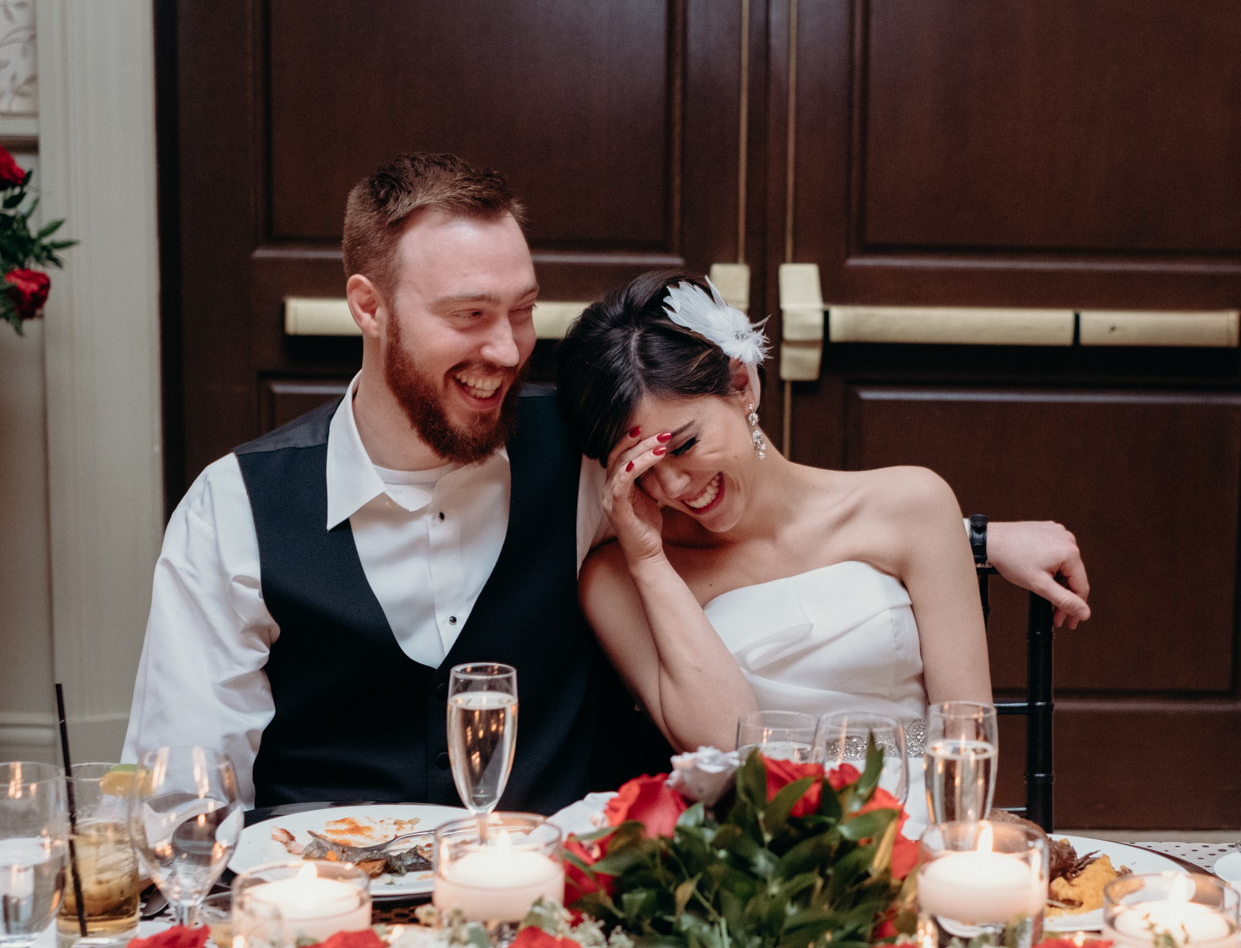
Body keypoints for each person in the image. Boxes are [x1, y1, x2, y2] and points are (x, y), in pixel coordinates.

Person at [123, 152, 1090, 814]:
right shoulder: (234, 512)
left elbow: (742, 507)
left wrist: (970, 539)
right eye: (467, 315)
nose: (504, 352)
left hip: (551, 911)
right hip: (326, 903)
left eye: (520, 310)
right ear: (368, 309)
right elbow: (183, 793)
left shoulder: (587, 461)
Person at [551, 272, 1088, 762]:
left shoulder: (914, 505)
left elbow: (967, 739)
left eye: (685, 444)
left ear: (740, 385)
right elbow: (726, 751)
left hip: (918, 818)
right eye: (639, 469)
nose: (671, 487)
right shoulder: (617, 578)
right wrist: (648, 561)